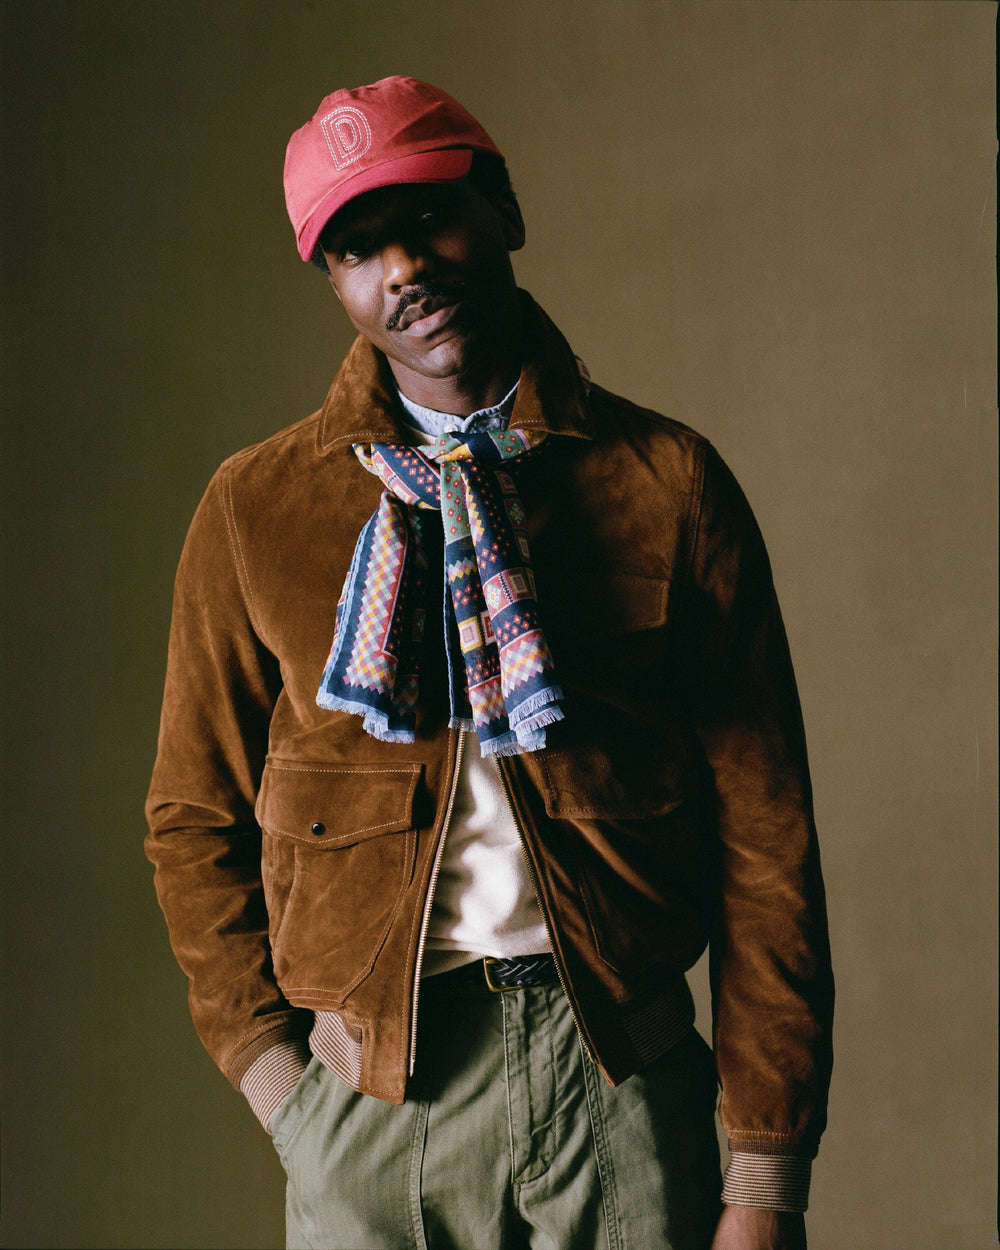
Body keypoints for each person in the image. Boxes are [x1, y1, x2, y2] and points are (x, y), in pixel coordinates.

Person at [146, 76, 833, 1250]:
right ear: (334, 282)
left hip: (617, 1079)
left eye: (428, 215)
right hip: (370, 1098)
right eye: (358, 247)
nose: (403, 268)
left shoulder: (666, 482)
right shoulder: (256, 508)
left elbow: (765, 840)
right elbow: (190, 818)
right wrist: (283, 1091)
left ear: (502, 206)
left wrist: (764, 1172)